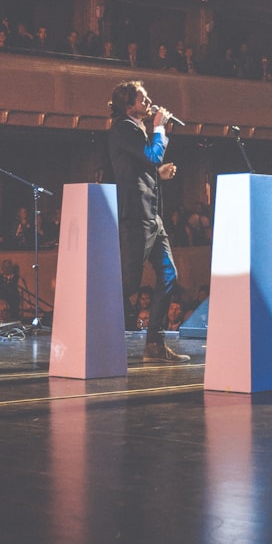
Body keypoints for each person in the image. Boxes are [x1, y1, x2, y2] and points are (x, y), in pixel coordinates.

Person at [108, 81, 189, 363]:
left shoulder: (135, 129)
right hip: (137, 217)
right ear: (129, 106)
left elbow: (143, 166)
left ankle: (154, 344)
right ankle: (96, 334)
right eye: (143, 99)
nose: (149, 101)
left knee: (168, 275)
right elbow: (152, 155)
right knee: (128, 284)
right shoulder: (123, 129)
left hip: (152, 217)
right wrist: (159, 127)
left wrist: (158, 174)